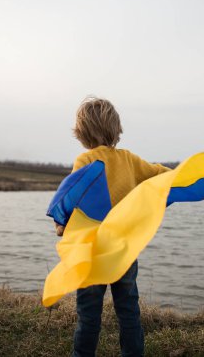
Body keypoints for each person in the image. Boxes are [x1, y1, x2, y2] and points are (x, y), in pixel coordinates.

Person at [55, 96, 171, 357]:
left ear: (82, 132)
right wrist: (191, 181)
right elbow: (161, 174)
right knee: (129, 310)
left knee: (89, 316)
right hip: (124, 250)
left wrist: (61, 225)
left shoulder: (85, 162)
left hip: (93, 253)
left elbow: (73, 199)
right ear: (115, 129)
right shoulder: (129, 160)